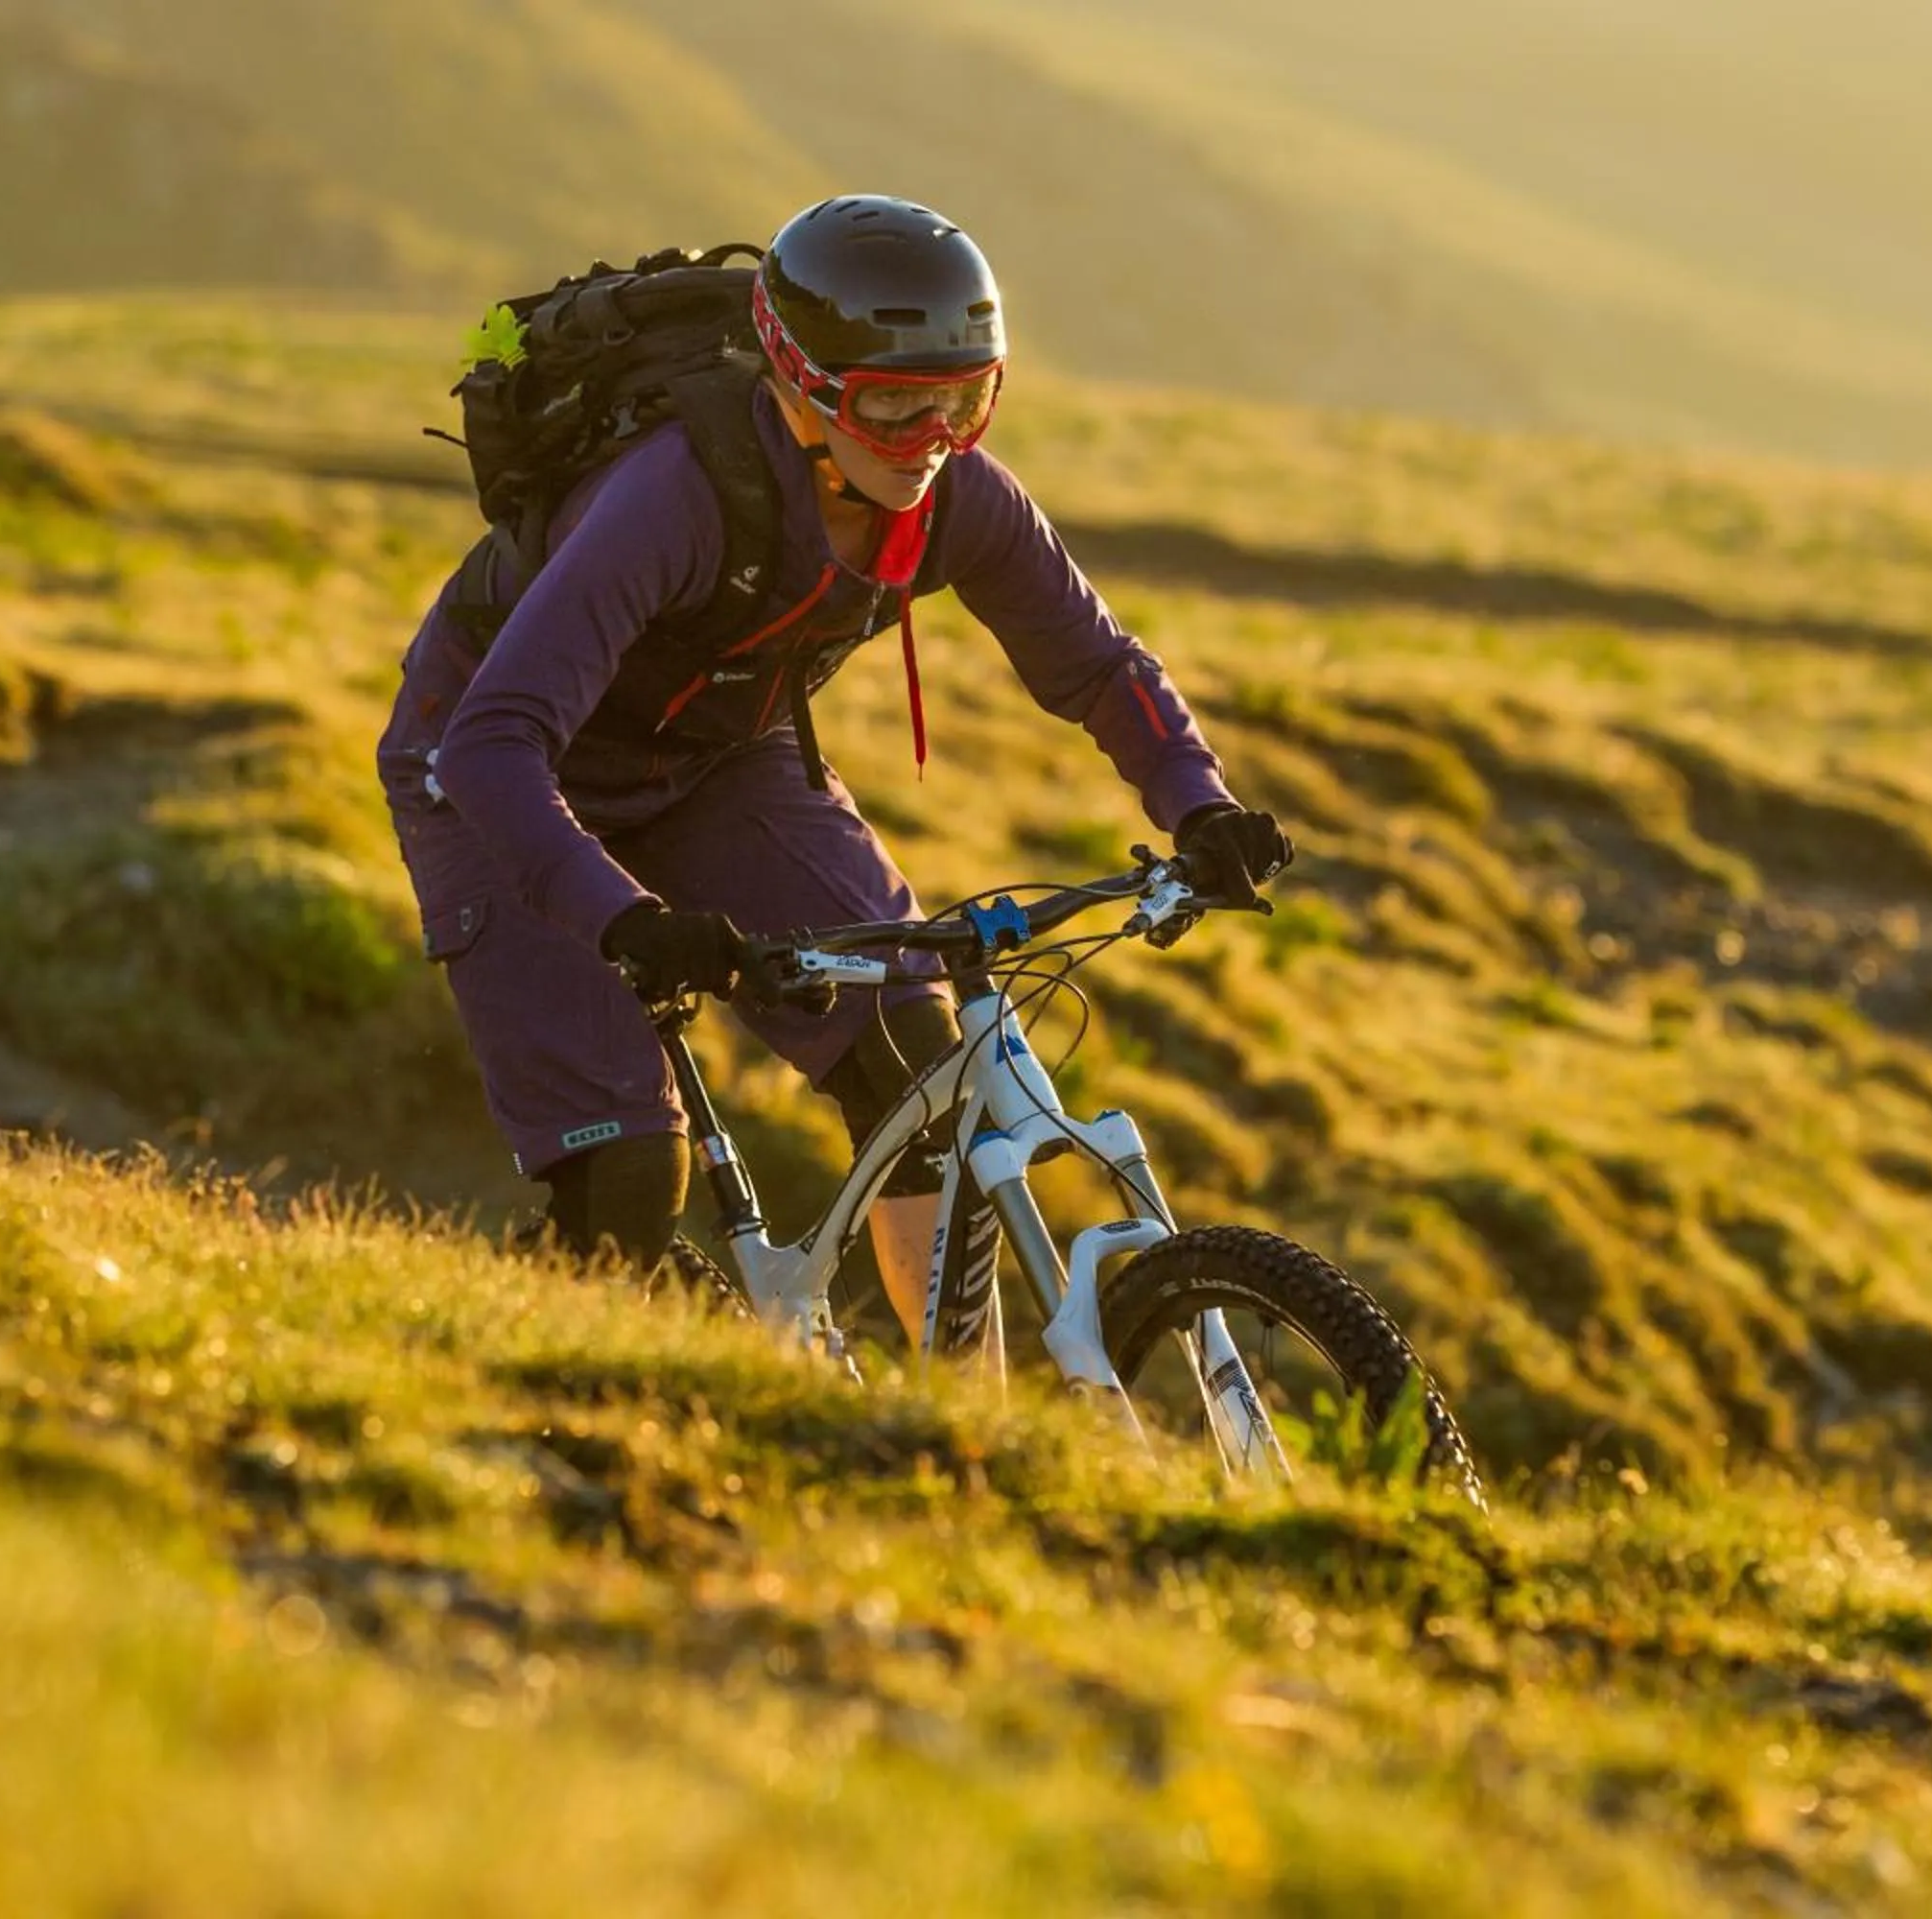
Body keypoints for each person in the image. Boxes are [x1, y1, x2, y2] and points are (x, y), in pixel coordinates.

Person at [376, 194, 1291, 1350]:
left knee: (920, 1069)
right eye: (890, 407)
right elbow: (491, 745)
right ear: (801, 385)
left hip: (714, 760)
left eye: (965, 399)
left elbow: (1098, 665)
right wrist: (623, 919)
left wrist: (1199, 802)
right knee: (622, 1190)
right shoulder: (677, 494)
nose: (930, 441)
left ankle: (968, 1431)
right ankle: (510, 1393)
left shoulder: (958, 495)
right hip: (494, 766)